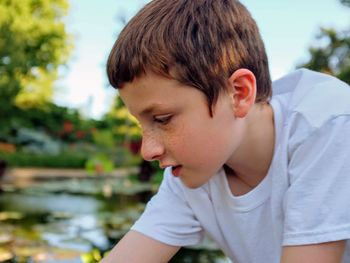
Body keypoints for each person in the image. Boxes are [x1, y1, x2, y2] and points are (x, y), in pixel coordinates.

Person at [102, 0, 350, 262]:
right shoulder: (193, 171)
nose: (148, 150)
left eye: (163, 119)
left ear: (239, 93)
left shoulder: (327, 123)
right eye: (142, 125)